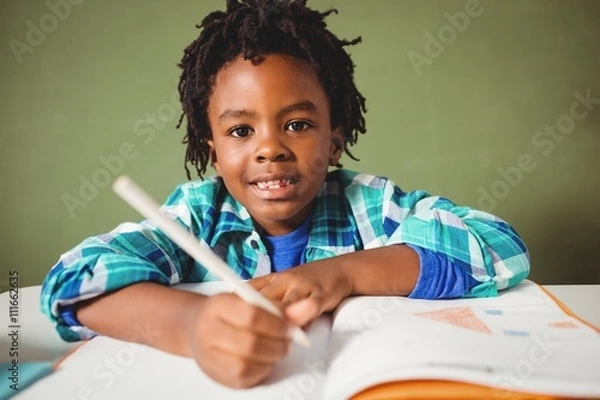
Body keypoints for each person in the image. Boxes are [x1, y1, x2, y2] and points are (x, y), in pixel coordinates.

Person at [41, 0, 530, 389]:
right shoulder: (195, 215)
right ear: (211, 153)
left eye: (298, 125)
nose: (271, 148)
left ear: (335, 140)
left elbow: (498, 247)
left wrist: (342, 274)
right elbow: (71, 283)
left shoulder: (371, 207)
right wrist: (192, 326)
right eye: (240, 132)